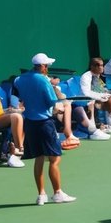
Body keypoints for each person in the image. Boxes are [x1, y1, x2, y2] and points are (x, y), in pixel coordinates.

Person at [13, 53, 76, 205]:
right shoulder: (43, 80)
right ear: (41, 66)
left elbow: (19, 98)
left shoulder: (19, 79)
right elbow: (51, 101)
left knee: (39, 158)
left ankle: (41, 195)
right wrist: (56, 100)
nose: (47, 68)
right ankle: (57, 193)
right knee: (54, 159)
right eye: (46, 66)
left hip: (30, 123)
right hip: (45, 123)